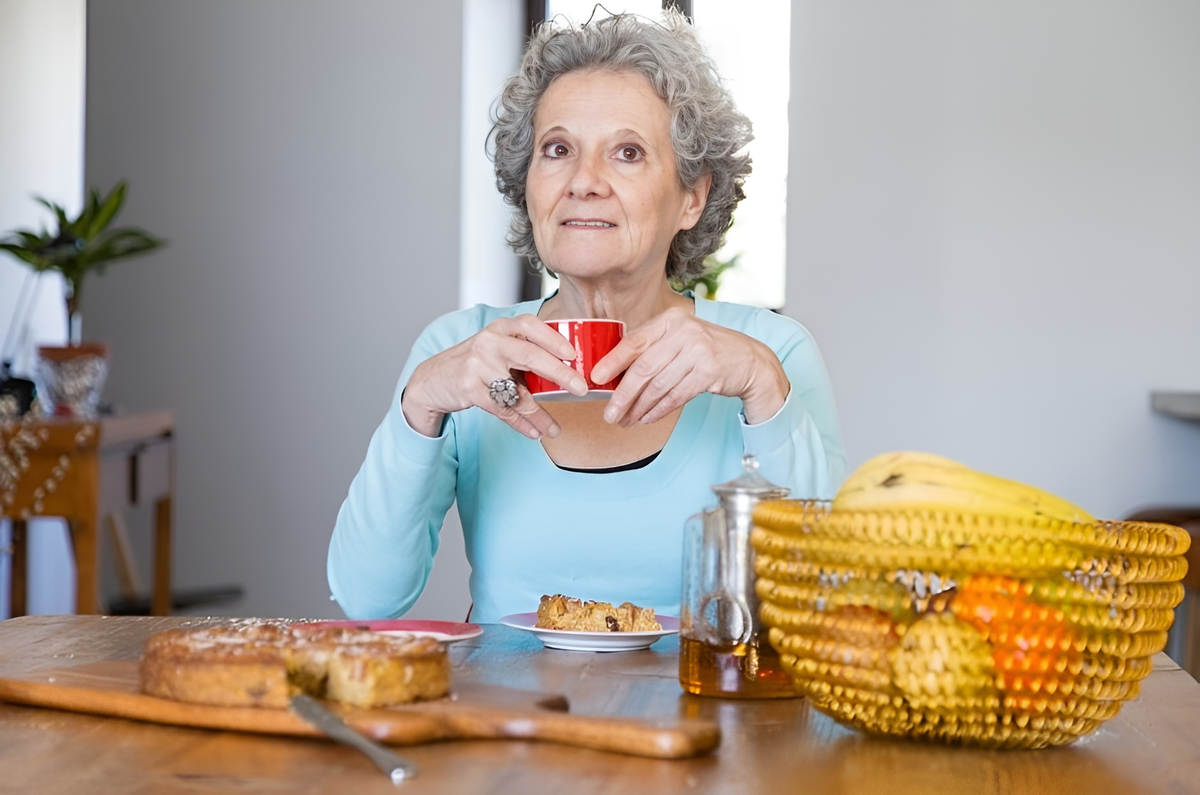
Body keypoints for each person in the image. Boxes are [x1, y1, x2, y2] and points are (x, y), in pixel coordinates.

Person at [328, 10, 845, 623]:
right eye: (558, 150)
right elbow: (368, 600)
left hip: (708, 714)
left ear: (692, 196)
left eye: (627, 152)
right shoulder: (460, 351)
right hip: (513, 718)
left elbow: (831, 599)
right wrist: (420, 407)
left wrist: (764, 388)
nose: (583, 181)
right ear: (529, 183)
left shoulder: (771, 353)